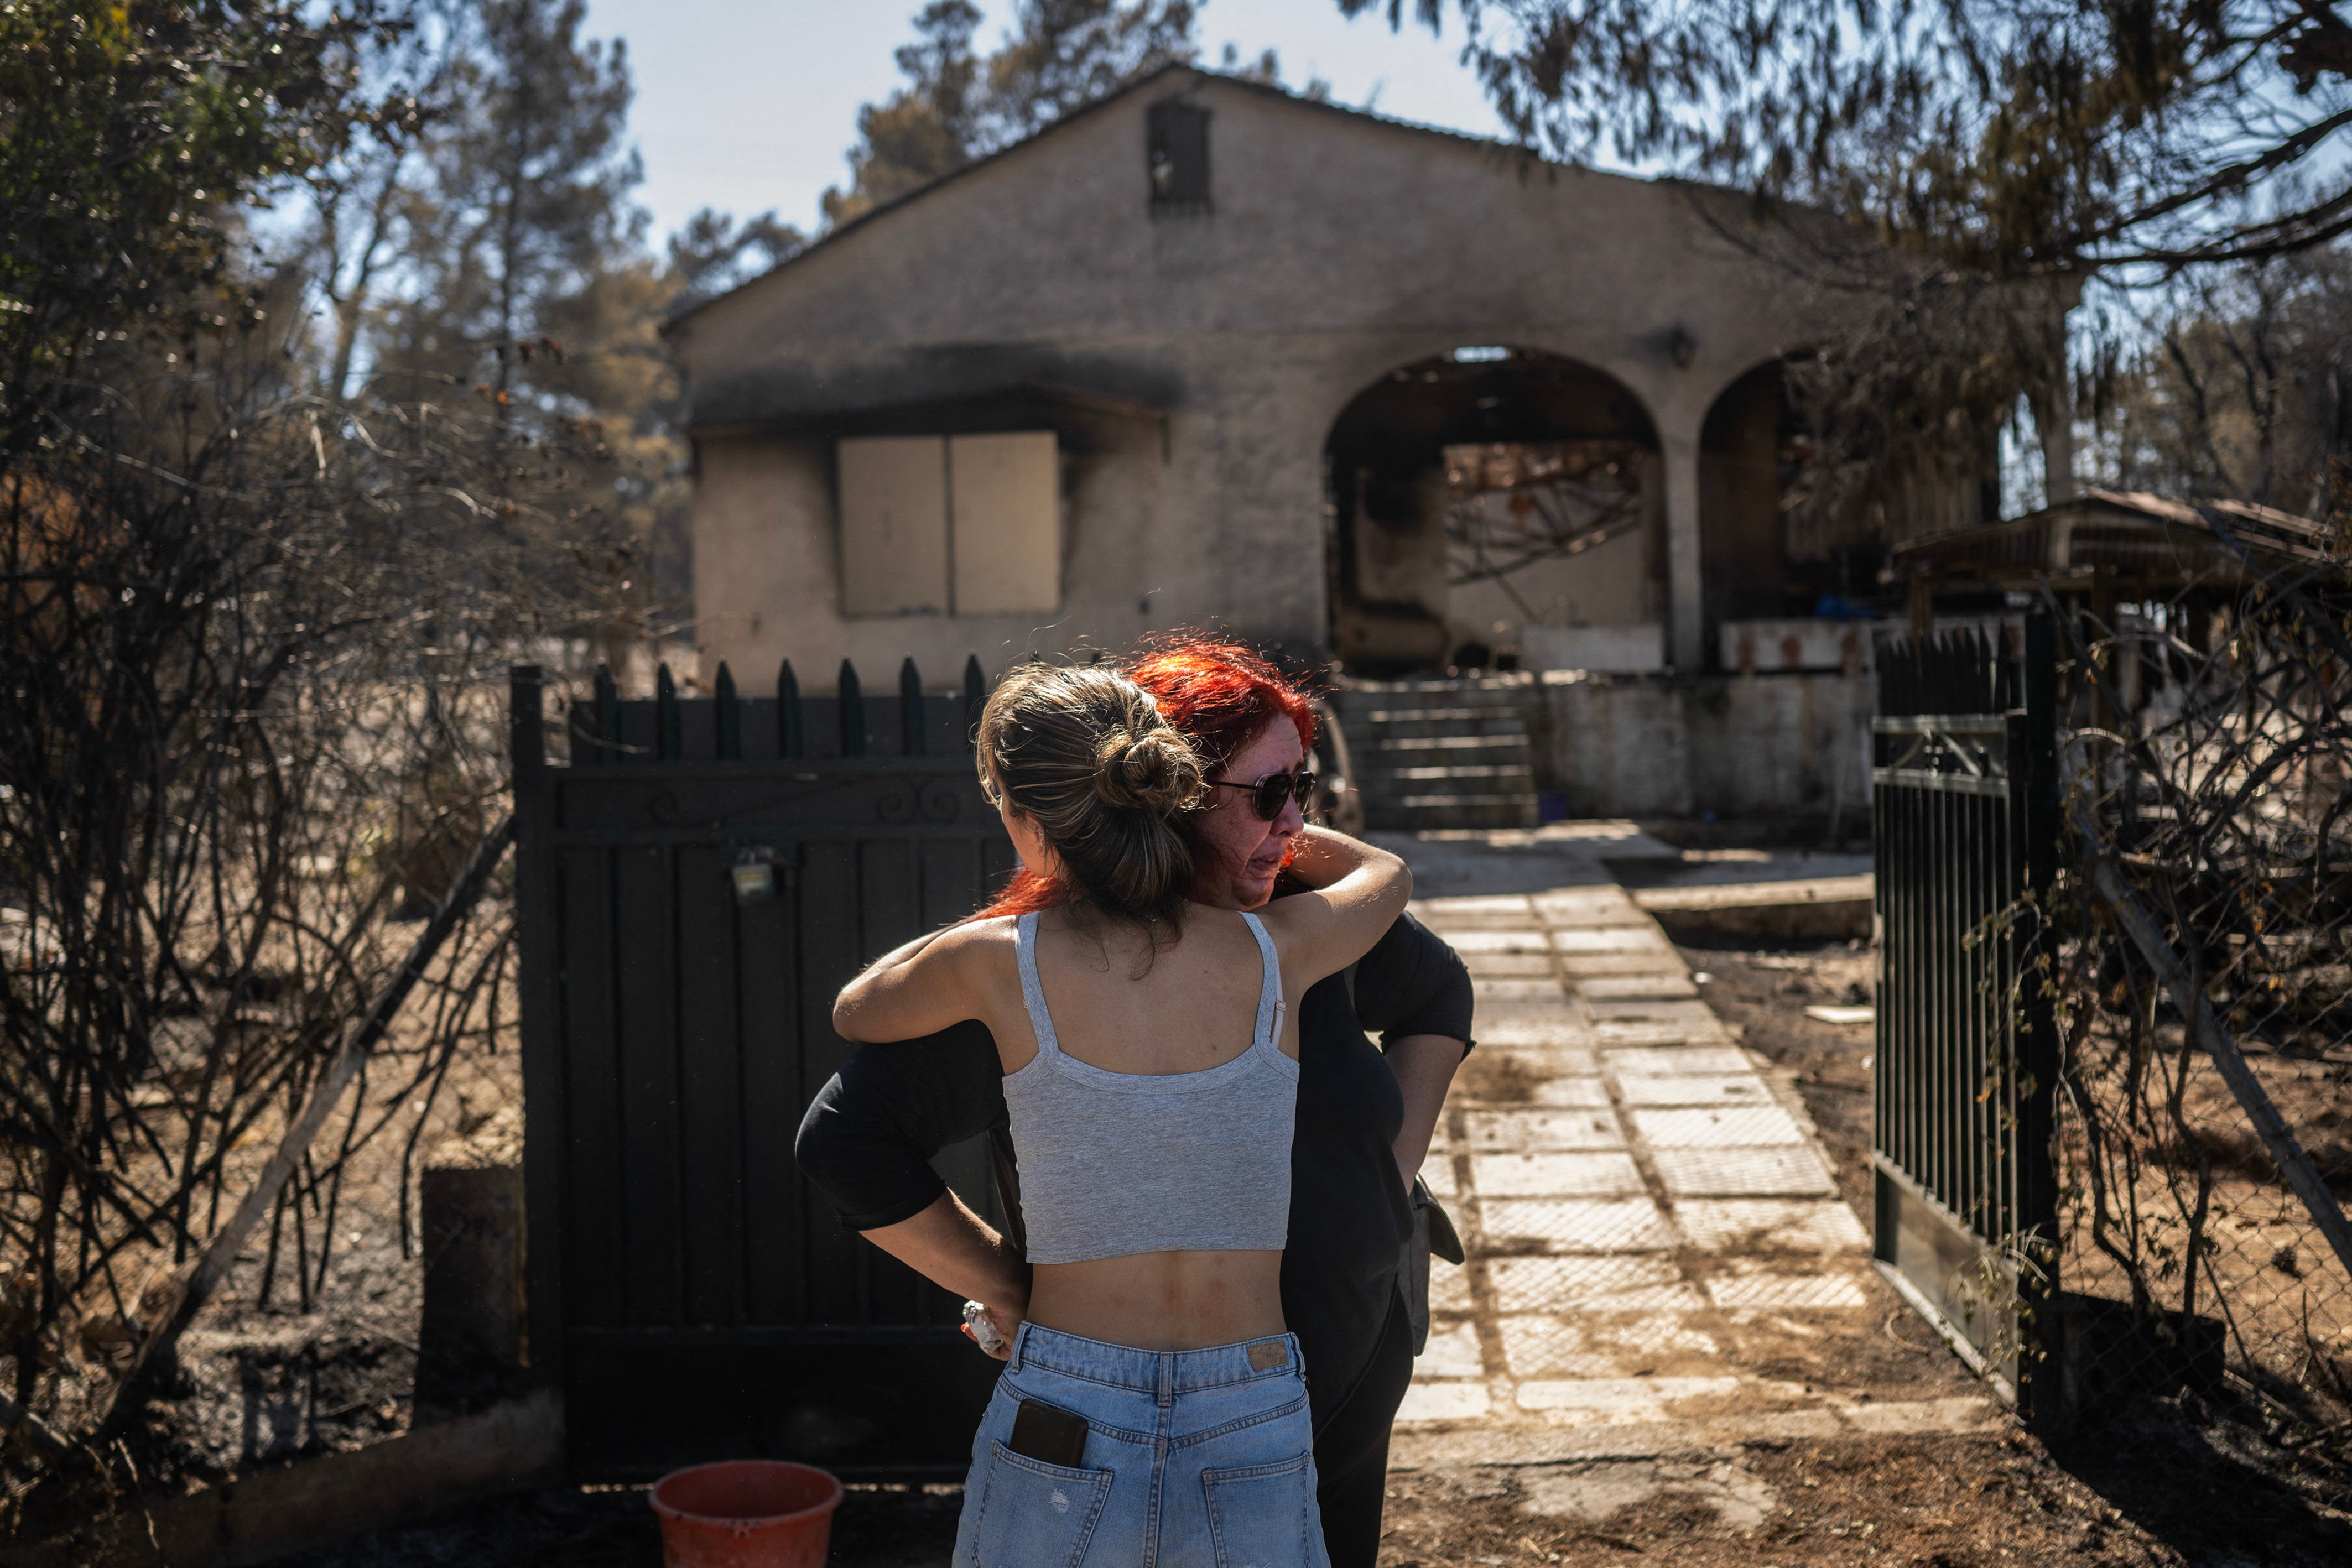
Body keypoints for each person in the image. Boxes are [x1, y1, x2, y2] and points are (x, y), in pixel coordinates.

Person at [798, 638, 1475, 1565]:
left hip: (1074, 1391)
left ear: (1026, 820)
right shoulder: (1278, 951)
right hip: (1256, 1394)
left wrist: (989, 943)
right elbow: (1386, 881)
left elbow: (854, 1010)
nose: (1284, 821)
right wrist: (1303, 831)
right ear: (1168, 788)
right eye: (1267, 795)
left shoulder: (993, 967)